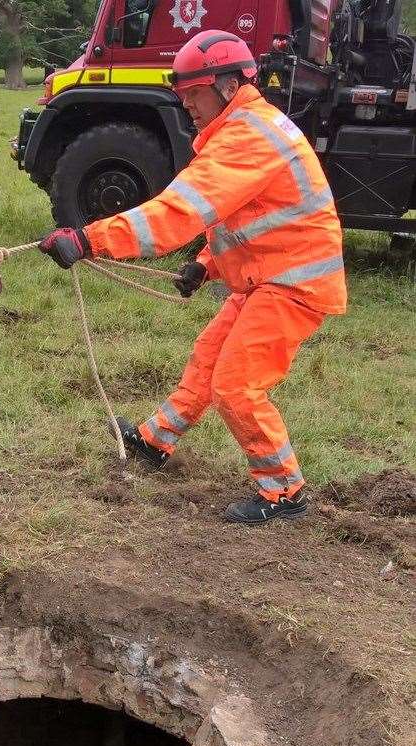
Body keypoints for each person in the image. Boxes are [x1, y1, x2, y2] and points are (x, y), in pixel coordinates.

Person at [39, 29, 347, 525]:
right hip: (268, 277)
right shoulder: (242, 129)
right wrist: (206, 263)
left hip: (293, 285)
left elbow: (179, 212)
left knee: (235, 386)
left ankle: (283, 490)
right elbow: (248, 216)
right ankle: (157, 440)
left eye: (193, 95)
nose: (187, 107)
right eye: (182, 97)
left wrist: (90, 239)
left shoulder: (248, 136)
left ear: (227, 85)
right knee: (207, 360)